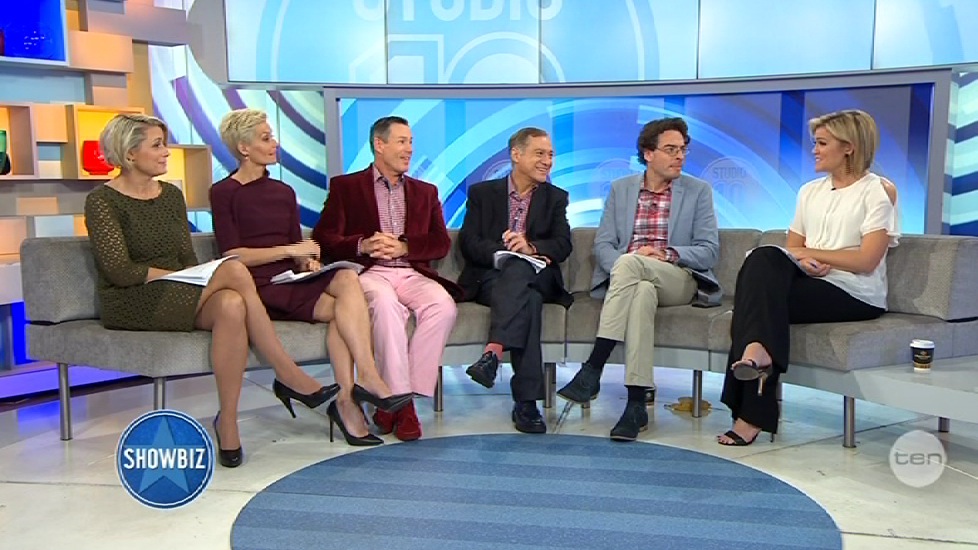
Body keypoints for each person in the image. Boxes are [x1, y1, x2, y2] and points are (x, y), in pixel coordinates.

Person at [84, 114, 335, 468]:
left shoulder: (171, 195)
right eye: (157, 145)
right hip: (132, 298)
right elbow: (120, 271)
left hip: (178, 289)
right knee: (233, 268)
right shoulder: (102, 200)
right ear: (129, 153)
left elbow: (187, 257)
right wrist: (181, 277)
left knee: (231, 304)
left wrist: (190, 276)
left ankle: (227, 421)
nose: (166, 152)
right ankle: (286, 371)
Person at [211, 109, 413, 447]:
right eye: (266, 138)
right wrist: (289, 250)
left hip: (290, 279)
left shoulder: (283, 191)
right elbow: (233, 255)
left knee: (346, 279)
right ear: (244, 148)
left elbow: (298, 246)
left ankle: (357, 386)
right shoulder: (224, 192)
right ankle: (352, 399)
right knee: (343, 308)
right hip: (255, 287)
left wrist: (307, 261)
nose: (275, 143)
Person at [718, 109, 899, 446]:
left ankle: (751, 404)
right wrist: (804, 260)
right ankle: (756, 365)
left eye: (822, 143)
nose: (814, 150)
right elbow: (791, 249)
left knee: (753, 304)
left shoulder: (877, 190)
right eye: (815, 143)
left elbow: (866, 260)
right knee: (763, 257)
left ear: (849, 147)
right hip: (812, 280)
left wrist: (811, 254)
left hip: (855, 292)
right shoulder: (809, 191)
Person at [556, 117, 721, 442]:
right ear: (648, 153)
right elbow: (604, 244)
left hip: (677, 277)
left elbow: (708, 251)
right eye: (671, 149)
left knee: (634, 265)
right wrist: (627, 265)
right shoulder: (621, 189)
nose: (679, 156)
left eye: (683, 150)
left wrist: (667, 254)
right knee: (641, 290)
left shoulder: (698, 191)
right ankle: (635, 404)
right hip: (632, 278)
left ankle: (593, 367)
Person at [312, 116, 458, 441]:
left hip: (410, 271)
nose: (409, 149)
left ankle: (398, 399)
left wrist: (406, 246)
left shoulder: (425, 192)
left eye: (411, 142)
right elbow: (323, 238)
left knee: (443, 306)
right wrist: (362, 245)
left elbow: (441, 243)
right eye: (402, 141)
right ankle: (402, 407)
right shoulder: (346, 187)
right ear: (380, 144)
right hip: (370, 272)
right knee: (385, 305)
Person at [458, 127, 573, 434]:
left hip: (538, 275)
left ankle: (493, 351)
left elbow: (563, 244)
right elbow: (469, 242)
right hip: (491, 278)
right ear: (516, 154)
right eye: (540, 153)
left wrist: (530, 248)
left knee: (521, 269)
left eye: (550, 155)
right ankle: (526, 402)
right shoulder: (483, 194)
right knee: (528, 299)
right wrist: (504, 251)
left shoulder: (555, 198)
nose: (547, 161)